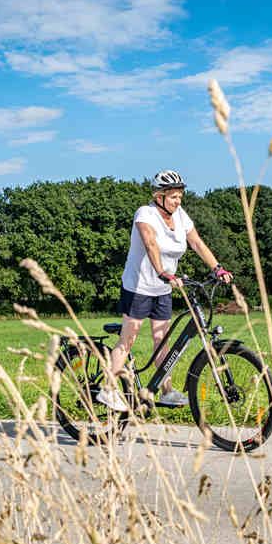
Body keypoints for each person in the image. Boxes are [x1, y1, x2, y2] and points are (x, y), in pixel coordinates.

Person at [97, 169, 233, 412]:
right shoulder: (145, 214)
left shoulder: (180, 215)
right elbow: (150, 243)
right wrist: (162, 271)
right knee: (129, 338)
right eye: (173, 197)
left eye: (180, 196)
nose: (178, 201)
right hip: (139, 286)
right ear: (159, 196)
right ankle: (108, 388)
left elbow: (197, 243)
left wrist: (218, 268)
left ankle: (167, 390)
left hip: (163, 288)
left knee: (163, 340)